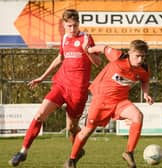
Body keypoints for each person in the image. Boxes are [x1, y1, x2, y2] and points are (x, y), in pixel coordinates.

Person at [8, 9, 101, 167]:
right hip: (61, 85)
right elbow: (61, 57)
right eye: (69, 26)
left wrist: (86, 50)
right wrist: (43, 77)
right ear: (64, 25)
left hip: (78, 90)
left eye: (75, 25)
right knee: (39, 115)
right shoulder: (65, 37)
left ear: (79, 23)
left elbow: (98, 62)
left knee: (71, 128)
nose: (73, 29)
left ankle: (77, 149)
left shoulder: (86, 38)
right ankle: (23, 152)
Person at [64, 40, 154, 168]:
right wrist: (89, 50)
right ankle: (71, 160)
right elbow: (103, 48)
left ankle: (129, 153)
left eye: (143, 56)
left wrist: (145, 93)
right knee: (87, 131)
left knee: (138, 116)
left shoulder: (143, 68)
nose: (140, 59)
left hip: (120, 101)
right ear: (130, 53)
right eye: (137, 56)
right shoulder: (118, 56)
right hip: (101, 100)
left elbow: (145, 81)